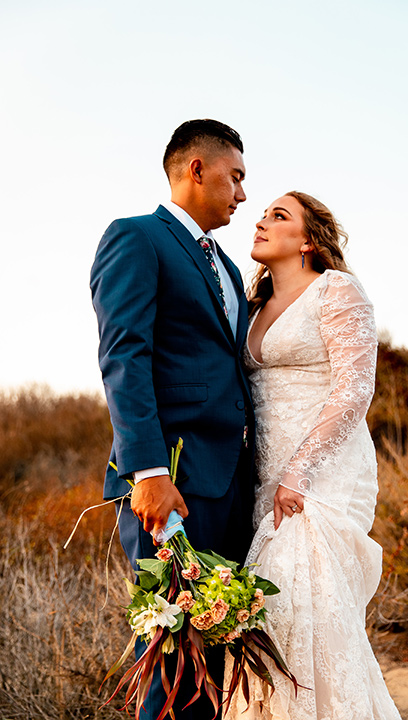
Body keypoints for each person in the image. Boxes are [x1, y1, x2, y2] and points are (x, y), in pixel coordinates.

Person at [90, 119, 255, 720]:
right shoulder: (137, 238)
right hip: (171, 483)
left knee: (214, 654)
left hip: (232, 482)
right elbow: (123, 355)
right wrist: (149, 470)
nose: (242, 194)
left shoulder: (230, 268)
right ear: (196, 169)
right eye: (235, 177)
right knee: (169, 652)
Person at [225, 191, 401, 719]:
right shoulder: (249, 304)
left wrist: (299, 474)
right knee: (267, 619)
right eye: (261, 213)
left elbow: (354, 391)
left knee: (302, 614)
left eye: (279, 216)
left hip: (320, 477)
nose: (260, 220)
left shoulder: (337, 291)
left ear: (307, 240)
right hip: (265, 476)